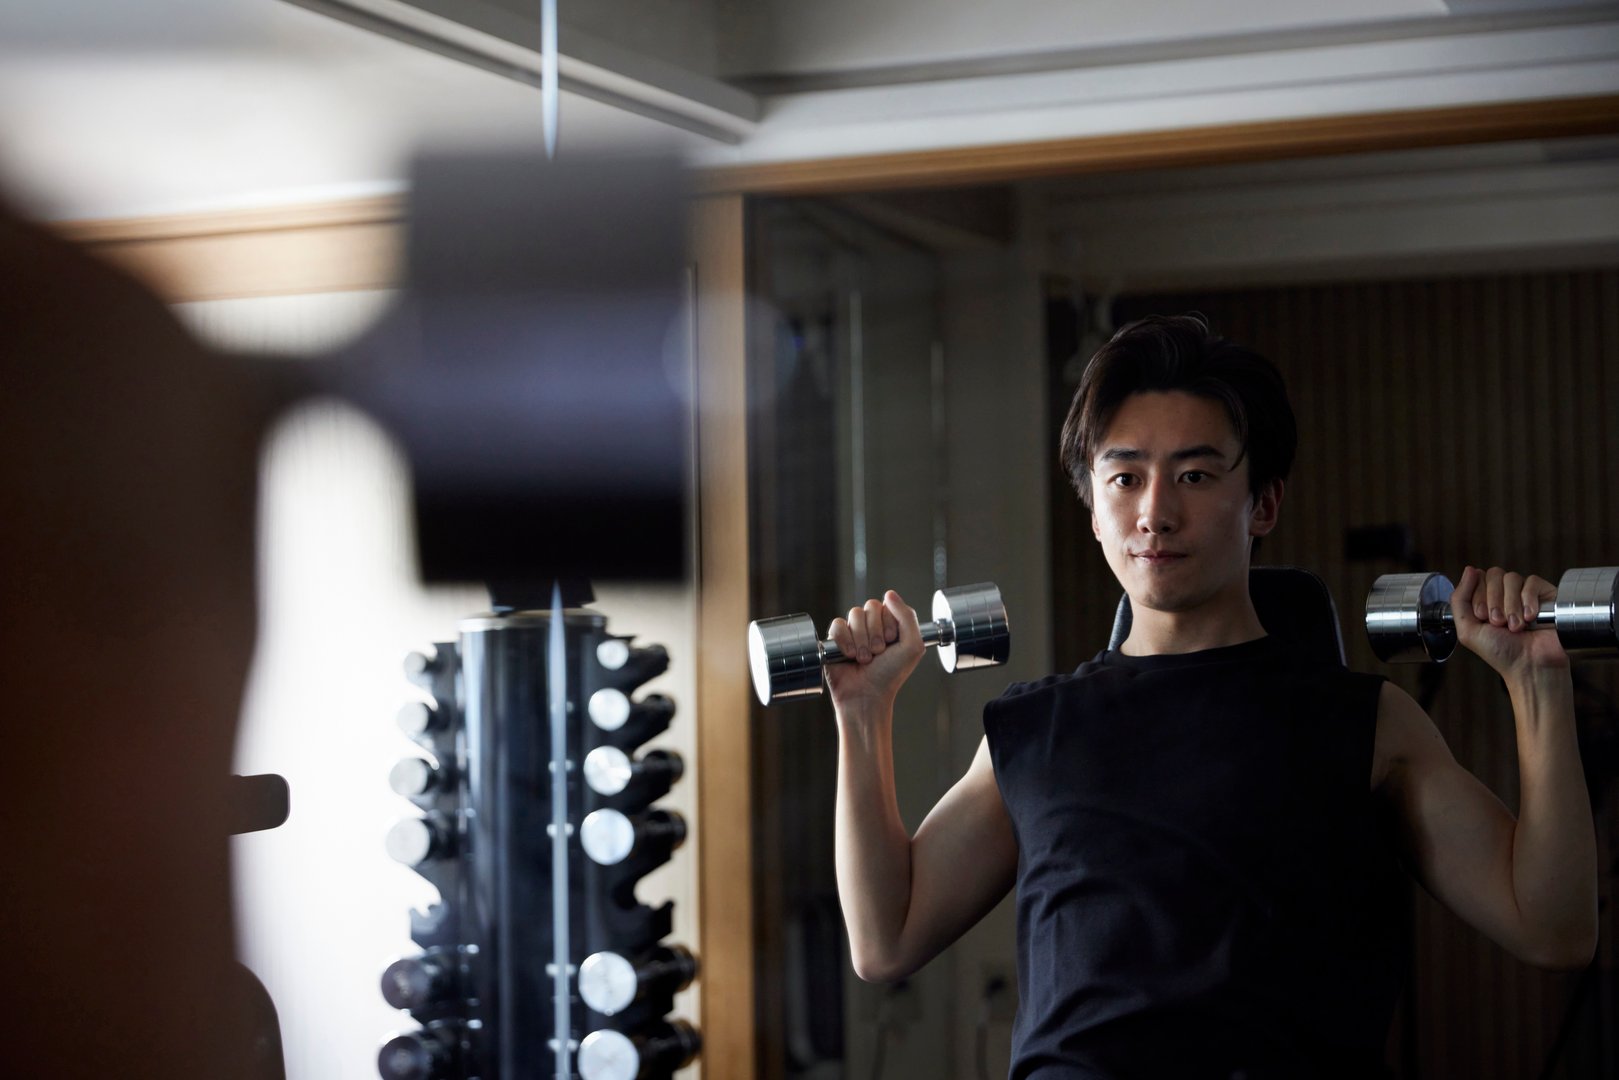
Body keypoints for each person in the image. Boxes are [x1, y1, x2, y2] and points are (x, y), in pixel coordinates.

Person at [826, 314, 1599, 1079]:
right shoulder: (1031, 732)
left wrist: (1537, 683)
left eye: (1194, 476)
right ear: (1092, 507)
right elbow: (885, 939)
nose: (1153, 513)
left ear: (1261, 504)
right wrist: (862, 714)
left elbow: (1550, 927)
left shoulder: (1362, 724)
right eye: (1124, 478)